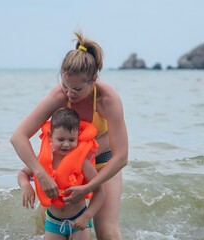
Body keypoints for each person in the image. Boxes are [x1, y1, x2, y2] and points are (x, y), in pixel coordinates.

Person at [11, 31, 128, 239]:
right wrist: (40, 174)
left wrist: (88, 187)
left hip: (101, 166)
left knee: (107, 232)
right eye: (65, 85)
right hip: (58, 170)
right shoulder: (58, 96)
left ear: (93, 80)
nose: (69, 94)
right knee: (45, 228)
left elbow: (121, 157)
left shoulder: (107, 100)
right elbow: (18, 136)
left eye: (76, 88)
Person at [17, 107, 105, 239]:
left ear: (78, 138)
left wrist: (86, 217)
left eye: (71, 140)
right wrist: (26, 186)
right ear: (51, 136)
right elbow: (23, 174)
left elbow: (100, 192)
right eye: (61, 139)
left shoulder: (82, 163)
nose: (66, 144)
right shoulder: (44, 159)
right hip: (53, 223)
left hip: (79, 221)